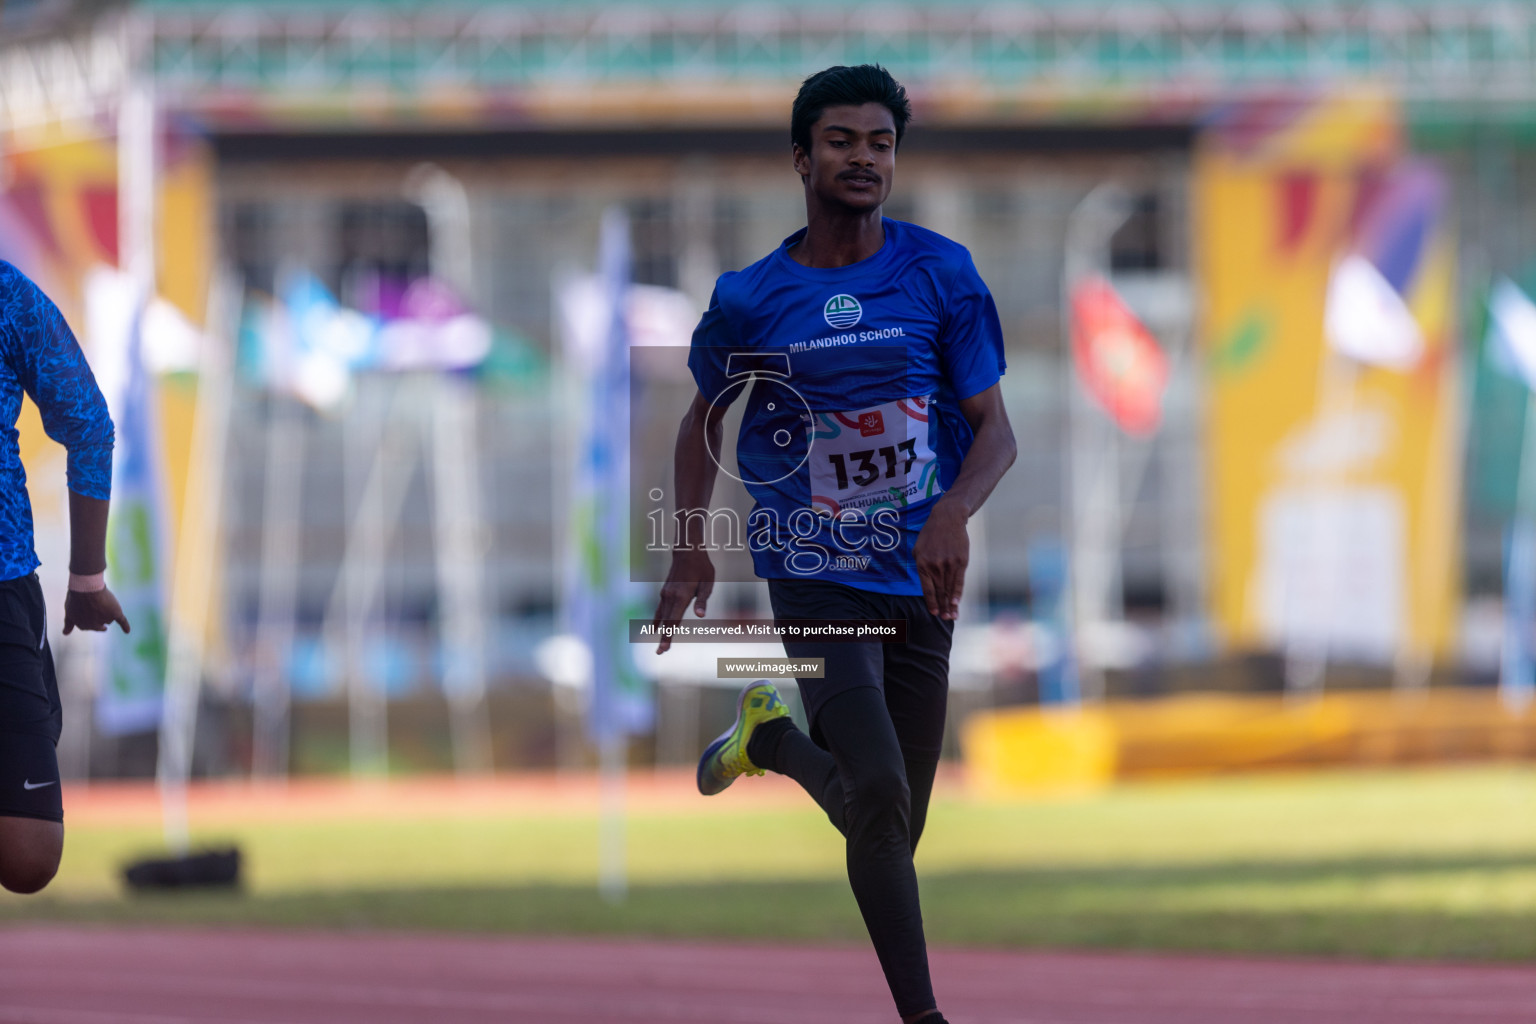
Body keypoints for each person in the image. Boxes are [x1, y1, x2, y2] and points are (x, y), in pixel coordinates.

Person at [652, 65, 1016, 1023]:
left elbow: (998, 432)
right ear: (802, 158)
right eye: (844, 141)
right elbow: (703, 422)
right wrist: (693, 549)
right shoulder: (751, 299)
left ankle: (769, 736)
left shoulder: (940, 273)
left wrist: (950, 513)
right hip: (812, 573)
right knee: (883, 790)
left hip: (919, 576)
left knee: (891, 823)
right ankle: (926, 1018)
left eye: (881, 143)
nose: (864, 158)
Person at [0, 260, 129, 894]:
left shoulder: (5, 293)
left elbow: (87, 421)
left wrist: (86, 577)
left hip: (2, 582)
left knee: (30, 851)